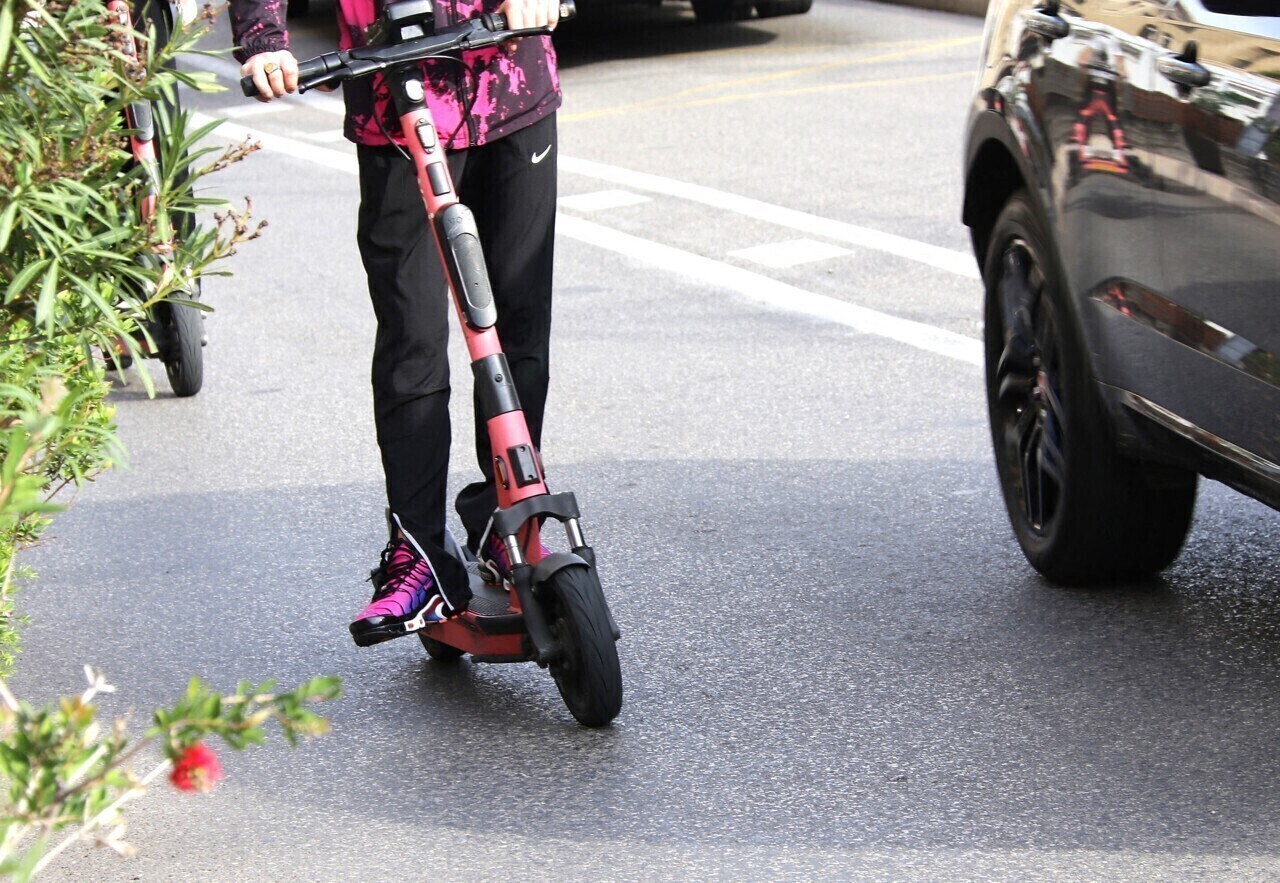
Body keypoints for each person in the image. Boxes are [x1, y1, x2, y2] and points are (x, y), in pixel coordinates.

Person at [228, 0, 564, 647]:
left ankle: (508, 519)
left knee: (521, 328)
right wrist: (264, 38)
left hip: (509, 74)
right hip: (393, 97)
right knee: (413, 338)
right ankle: (419, 550)